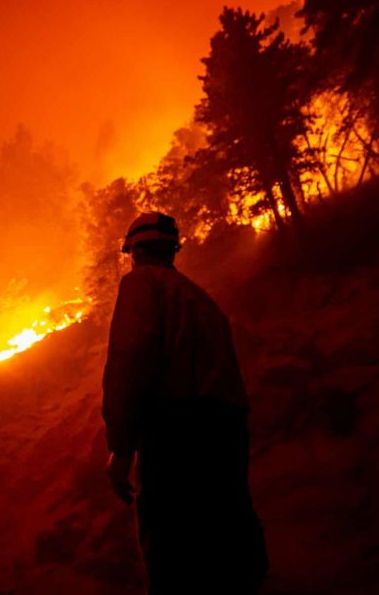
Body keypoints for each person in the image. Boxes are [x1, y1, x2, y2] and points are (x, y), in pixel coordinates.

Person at [102, 212, 268, 594]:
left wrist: (121, 447)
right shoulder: (202, 300)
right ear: (172, 251)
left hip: (176, 428)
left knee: (172, 546)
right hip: (226, 431)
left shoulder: (141, 284)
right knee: (227, 537)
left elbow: (131, 360)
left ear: (135, 252)